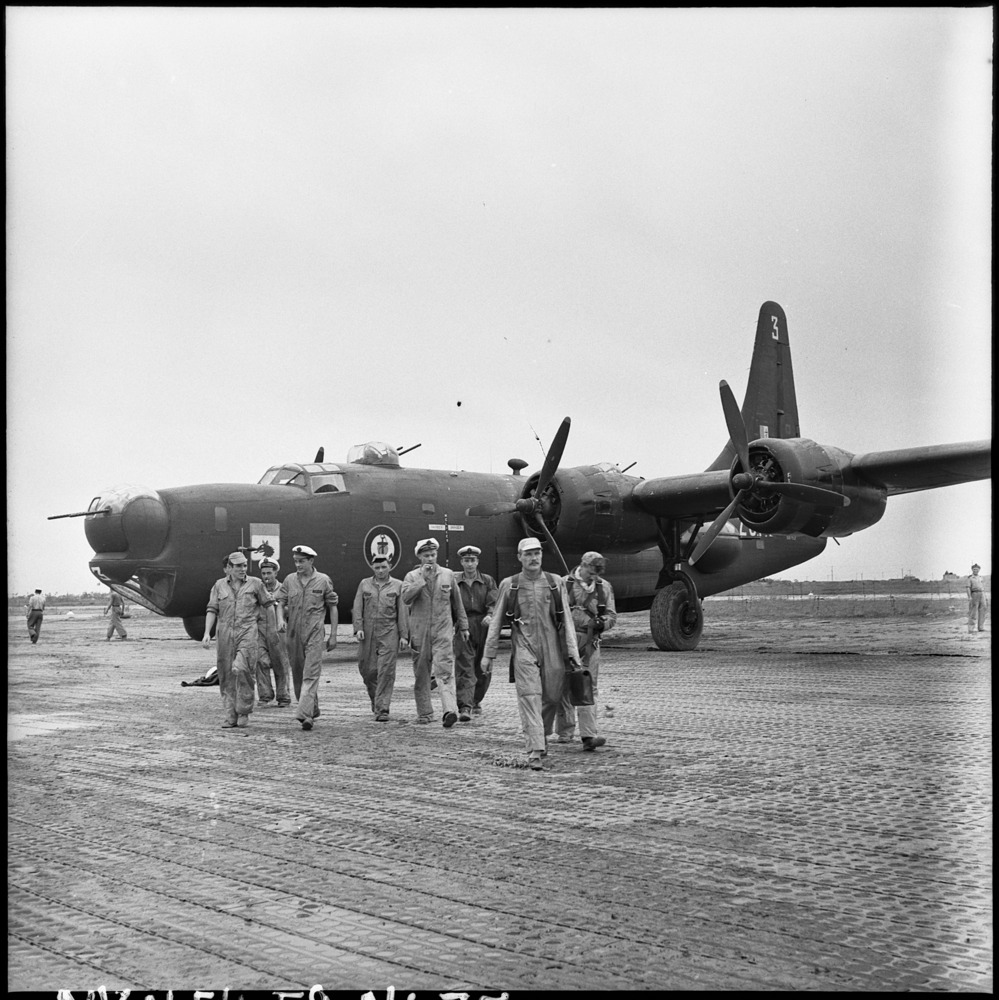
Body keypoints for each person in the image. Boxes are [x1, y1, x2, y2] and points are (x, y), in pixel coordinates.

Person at [482, 537, 581, 771]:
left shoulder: (555, 582)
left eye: (537, 553)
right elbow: (496, 621)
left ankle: (541, 735)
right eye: (528, 554)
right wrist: (489, 655)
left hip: (553, 647)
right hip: (524, 646)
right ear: (519, 558)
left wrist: (573, 653)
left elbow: (566, 619)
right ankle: (535, 750)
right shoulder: (510, 584)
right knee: (530, 696)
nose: (534, 558)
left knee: (552, 697)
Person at [202, 552, 277, 729]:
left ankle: (243, 710)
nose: (243, 569)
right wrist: (207, 633)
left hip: (247, 631)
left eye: (244, 566)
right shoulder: (219, 585)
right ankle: (230, 715)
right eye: (238, 566)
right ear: (229, 568)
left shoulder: (255, 584)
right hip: (225, 633)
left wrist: (272, 630)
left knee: (241, 668)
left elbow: (269, 606)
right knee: (226, 673)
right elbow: (212, 609)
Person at [402, 538, 469, 728]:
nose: (430, 559)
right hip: (419, 633)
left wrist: (463, 626)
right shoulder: (411, 576)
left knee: (445, 672)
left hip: (443, 631)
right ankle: (424, 713)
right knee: (422, 674)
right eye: (426, 556)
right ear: (419, 557)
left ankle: (449, 710)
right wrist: (422, 580)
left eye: (432, 555)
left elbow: (457, 603)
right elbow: (406, 599)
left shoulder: (448, 575)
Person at [555, 551, 617, 751]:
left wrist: (603, 623)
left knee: (587, 686)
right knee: (562, 686)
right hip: (564, 640)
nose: (595, 575)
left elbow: (612, 615)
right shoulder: (563, 584)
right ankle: (564, 731)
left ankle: (588, 736)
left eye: (599, 572)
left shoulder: (604, 587)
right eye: (592, 570)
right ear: (582, 565)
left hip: (590, 643)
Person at [281, 544, 339, 731]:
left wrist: (333, 635)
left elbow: (332, 607)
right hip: (293, 634)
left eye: (302, 561)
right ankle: (311, 710)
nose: (298, 565)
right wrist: (280, 619)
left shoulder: (323, 580)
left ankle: (304, 713)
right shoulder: (290, 580)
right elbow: (280, 601)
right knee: (298, 675)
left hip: (314, 633)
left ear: (311, 561)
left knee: (310, 674)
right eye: (296, 561)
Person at [352, 553, 407, 721]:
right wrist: (358, 628)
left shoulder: (398, 585)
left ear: (390, 566)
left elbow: (403, 613)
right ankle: (376, 701)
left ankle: (382, 709)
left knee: (385, 671)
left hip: (389, 631)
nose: (381, 570)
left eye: (384, 567)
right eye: (377, 568)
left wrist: (404, 636)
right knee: (367, 671)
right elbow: (357, 607)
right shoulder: (365, 584)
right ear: (372, 568)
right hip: (368, 632)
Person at [453, 545, 498, 720]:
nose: (470, 564)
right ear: (461, 562)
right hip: (463, 625)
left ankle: (476, 699)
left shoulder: (487, 581)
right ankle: (465, 706)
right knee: (464, 666)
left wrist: (490, 614)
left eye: (472, 560)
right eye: (466, 560)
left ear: (477, 562)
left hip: (483, 625)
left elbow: (494, 600)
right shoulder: (456, 582)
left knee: (483, 667)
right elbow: (451, 604)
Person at [255, 559, 291, 707]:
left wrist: (279, 608)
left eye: (269, 573)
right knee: (260, 660)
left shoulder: (283, 589)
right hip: (260, 627)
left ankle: (283, 696)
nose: (266, 576)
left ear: (276, 572)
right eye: (263, 573)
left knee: (280, 662)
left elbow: (290, 609)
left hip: (278, 629)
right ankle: (265, 695)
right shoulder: (258, 588)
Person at [967, 563, 988, 634]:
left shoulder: (981, 577)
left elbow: (983, 587)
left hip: (982, 594)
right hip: (974, 594)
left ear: (979, 570)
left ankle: (981, 627)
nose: (975, 571)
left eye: (977, 569)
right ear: (972, 570)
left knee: (983, 610)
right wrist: (969, 597)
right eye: (974, 569)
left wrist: (985, 596)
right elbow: (968, 588)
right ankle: (971, 629)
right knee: (973, 611)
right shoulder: (970, 578)